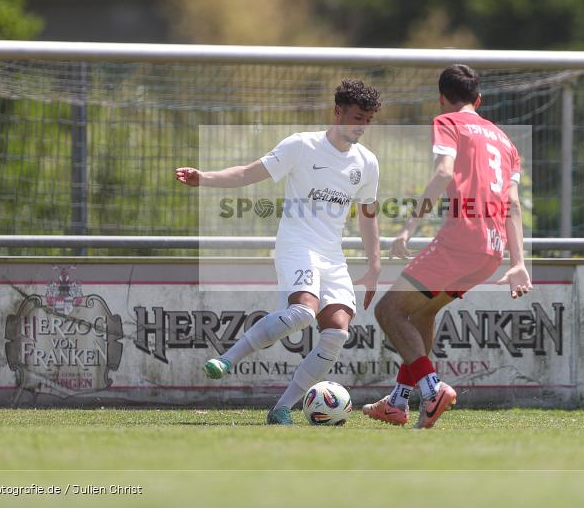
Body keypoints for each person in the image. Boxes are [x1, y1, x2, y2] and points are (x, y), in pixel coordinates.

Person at [175, 79, 382, 425]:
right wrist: (204, 178)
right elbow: (247, 172)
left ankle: (282, 407)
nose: (361, 127)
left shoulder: (367, 162)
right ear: (337, 111)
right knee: (302, 313)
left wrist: (374, 264)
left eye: (368, 121)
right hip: (297, 245)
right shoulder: (301, 146)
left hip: (332, 256)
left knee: (337, 331)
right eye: (357, 118)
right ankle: (228, 358)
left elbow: (368, 213)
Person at [362, 64, 532, 429]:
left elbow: (443, 172)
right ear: (479, 98)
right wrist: (518, 263)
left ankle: (432, 388)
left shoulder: (448, 122)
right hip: (492, 250)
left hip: (462, 238)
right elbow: (514, 204)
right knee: (420, 314)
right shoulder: (506, 142)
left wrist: (408, 228)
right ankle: (397, 403)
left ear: (441, 99)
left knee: (389, 311)